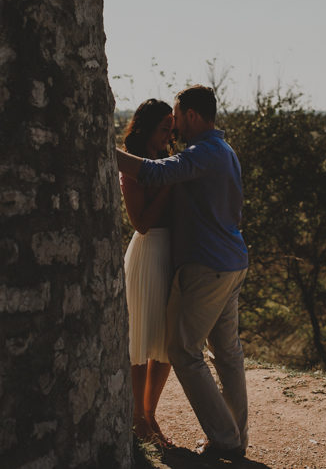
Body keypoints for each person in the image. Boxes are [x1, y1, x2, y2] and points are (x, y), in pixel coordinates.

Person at [116, 85, 249, 461]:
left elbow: (154, 173)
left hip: (208, 266)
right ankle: (236, 437)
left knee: (183, 351)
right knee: (226, 352)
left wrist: (102, 148)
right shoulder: (226, 151)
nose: (174, 131)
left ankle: (225, 438)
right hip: (232, 260)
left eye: (177, 119)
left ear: (192, 115)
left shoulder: (203, 153)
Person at [119, 98, 176, 448]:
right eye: (164, 127)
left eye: (172, 127)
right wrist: (170, 184)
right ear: (147, 128)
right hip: (148, 251)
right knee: (140, 340)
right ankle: (136, 418)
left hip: (173, 254)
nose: (169, 134)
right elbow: (139, 224)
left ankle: (150, 412)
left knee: (167, 343)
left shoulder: (171, 160)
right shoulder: (133, 168)